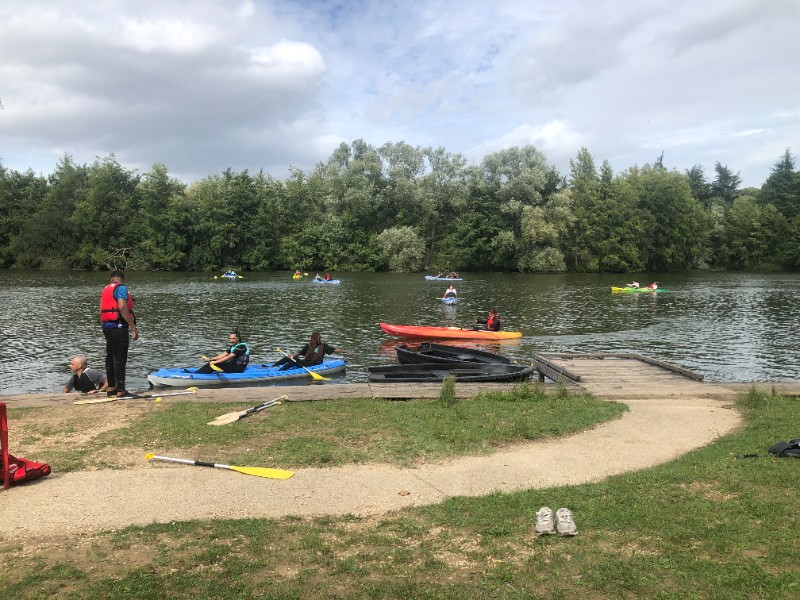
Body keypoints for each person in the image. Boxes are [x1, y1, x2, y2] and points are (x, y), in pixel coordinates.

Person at [100, 270, 138, 397]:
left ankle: (111, 387)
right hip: (119, 326)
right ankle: (121, 390)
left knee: (110, 357)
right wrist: (133, 327)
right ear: (122, 279)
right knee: (120, 358)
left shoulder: (106, 289)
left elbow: (101, 309)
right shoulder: (121, 288)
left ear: (111, 279)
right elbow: (122, 307)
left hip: (107, 327)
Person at [270, 331, 343, 371]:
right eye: (318, 338)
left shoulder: (323, 346)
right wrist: (292, 356)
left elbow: (335, 350)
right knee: (288, 358)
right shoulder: (308, 345)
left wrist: (346, 352)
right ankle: (273, 366)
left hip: (314, 364)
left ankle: (280, 371)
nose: (319, 339)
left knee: (293, 360)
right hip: (306, 362)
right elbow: (299, 353)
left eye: (319, 338)